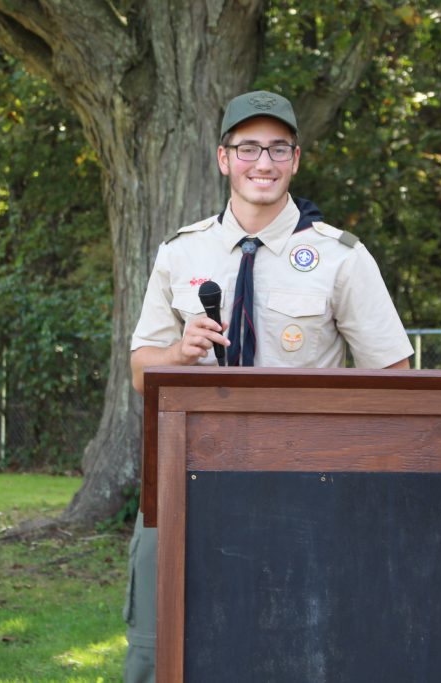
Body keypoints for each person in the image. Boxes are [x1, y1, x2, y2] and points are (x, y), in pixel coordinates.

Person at [124, 90, 413, 681]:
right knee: (162, 646)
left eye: (277, 148)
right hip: (187, 478)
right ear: (223, 158)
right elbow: (140, 370)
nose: (263, 162)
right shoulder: (182, 252)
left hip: (304, 485)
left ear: (296, 159)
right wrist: (182, 351)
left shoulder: (340, 257)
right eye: (248, 147)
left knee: (298, 646)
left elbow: (394, 379)